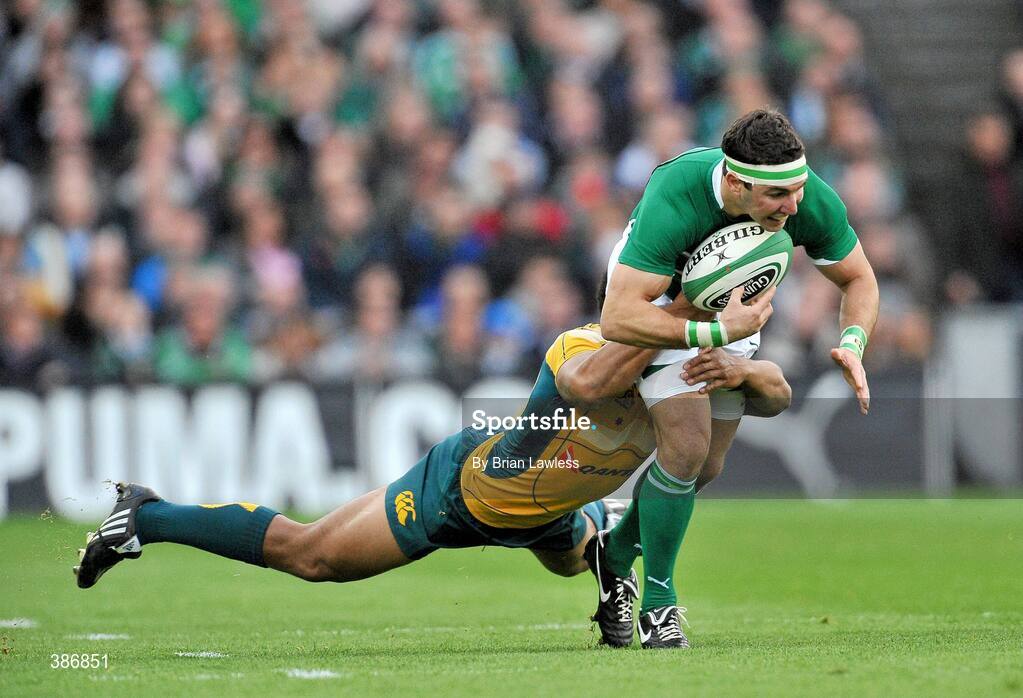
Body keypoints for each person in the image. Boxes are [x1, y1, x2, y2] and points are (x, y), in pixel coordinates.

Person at [73, 292, 790, 650]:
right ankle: (145, 515)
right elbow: (580, 388)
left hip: (544, 514)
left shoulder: (693, 383)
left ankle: (605, 554)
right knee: (313, 557)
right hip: (462, 491)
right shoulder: (584, 349)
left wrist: (739, 360)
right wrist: (666, 325)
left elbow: (775, 398)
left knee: (578, 559)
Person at [598, 108, 878, 646]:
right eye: (779, 197)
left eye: (798, 190)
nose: (794, 206)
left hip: (735, 314)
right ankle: (659, 604)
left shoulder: (802, 194)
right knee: (686, 446)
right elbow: (619, 316)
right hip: (662, 309)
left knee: (705, 467)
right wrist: (710, 334)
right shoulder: (676, 192)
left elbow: (859, 279)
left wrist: (852, 342)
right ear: (734, 182)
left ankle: (613, 552)